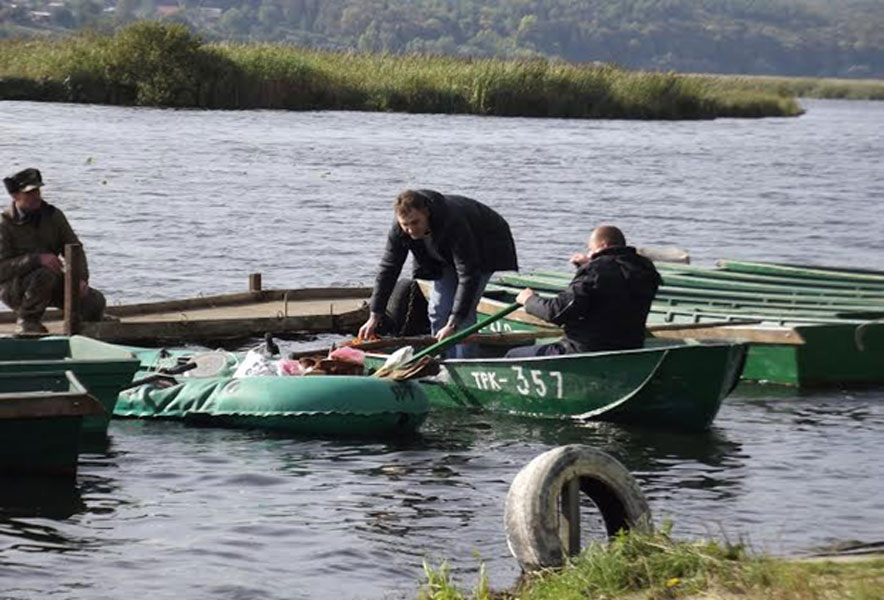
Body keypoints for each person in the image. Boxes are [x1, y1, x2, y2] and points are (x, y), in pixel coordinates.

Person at [358, 189, 518, 358]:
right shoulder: (399, 230)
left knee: (464, 314)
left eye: (415, 222)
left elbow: (468, 274)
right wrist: (375, 315)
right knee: (438, 309)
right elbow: (389, 268)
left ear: (427, 212)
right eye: (406, 225)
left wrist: (454, 322)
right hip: (444, 254)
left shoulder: (453, 222)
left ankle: (464, 364)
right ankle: (443, 361)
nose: (411, 230)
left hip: (485, 245)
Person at [506, 225, 661, 358]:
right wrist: (585, 267)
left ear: (603, 245)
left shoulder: (595, 271)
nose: (589, 254)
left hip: (583, 351)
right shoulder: (645, 270)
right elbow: (612, 288)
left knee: (513, 355)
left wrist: (529, 300)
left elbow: (557, 312)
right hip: (629, 349)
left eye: (590, 249)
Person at [1, 167, 106, 334]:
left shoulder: (53, 216)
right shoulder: (4, 224)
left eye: (37, 191)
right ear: (15, 196)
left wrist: (80, 279)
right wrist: (36, 259)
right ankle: (28, 322)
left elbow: (75, 248)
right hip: (15, 288)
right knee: (44, 273)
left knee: (96, 301)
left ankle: (86, 320)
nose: (36, 196)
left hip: (51, 281)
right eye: (29, 193)